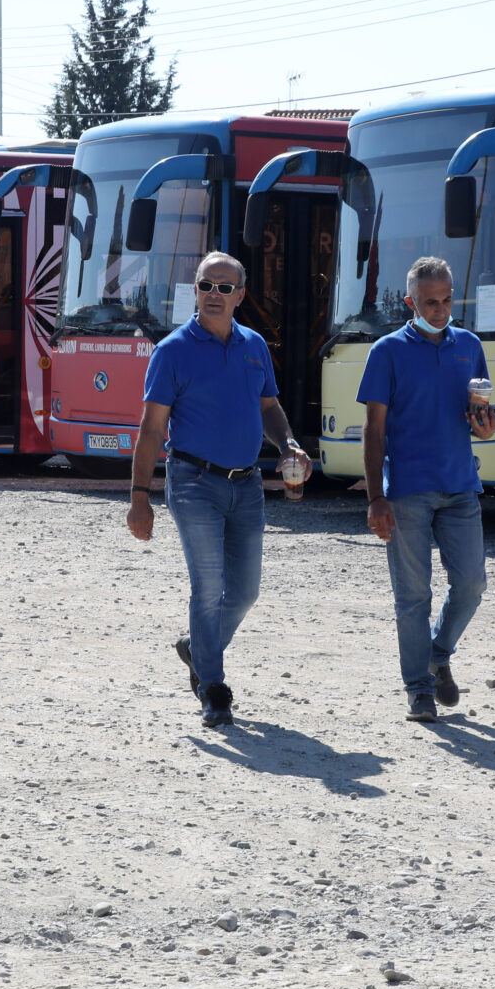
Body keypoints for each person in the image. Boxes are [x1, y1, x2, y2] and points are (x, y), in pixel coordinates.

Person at [127, 251, 309, 728]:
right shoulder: (172, 351)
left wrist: (289, 443)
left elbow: (269, 407)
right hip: (193, 482)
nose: (214, 294)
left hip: (247, 485)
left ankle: (197, 649)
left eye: (225, 287)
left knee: (245, 592)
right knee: (208, 589)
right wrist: (140, 497)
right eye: (206, 285)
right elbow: (151, 429)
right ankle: (213, 688)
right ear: (195, 289)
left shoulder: (254, 346)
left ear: (240, 296)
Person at [358, 256, 495, 723]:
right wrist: (375, 497)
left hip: (461, 485)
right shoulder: (386, 351)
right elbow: (373, 429)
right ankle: (418, 689)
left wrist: (487, 427)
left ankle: (438, 654)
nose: (440, 310)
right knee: (413, 596)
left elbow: (480, 417)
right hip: (407, 490)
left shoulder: (469, 345)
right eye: (430, 302)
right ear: (410, 302)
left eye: (446, 300)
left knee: (472, 585)